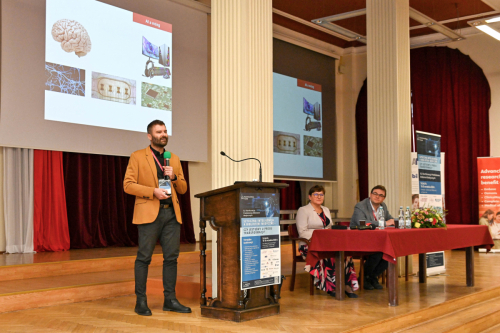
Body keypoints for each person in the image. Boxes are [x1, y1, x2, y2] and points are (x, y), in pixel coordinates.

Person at [123, 119, 191, 316]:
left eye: (165, 131)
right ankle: (141, 302)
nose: (164, 134)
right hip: (149, 212)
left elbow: (183, 189)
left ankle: (170, 300)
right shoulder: (137, 157)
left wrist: (174, 177)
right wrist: (152, 191)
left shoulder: (174, 159)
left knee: (171, 258)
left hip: (171, 213)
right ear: (149, 136)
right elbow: (128, 185)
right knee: (144, 258)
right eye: (159, 132)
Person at [296, 185, 359, 298]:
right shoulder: (303, 210)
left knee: (345, 255)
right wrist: (321, 235)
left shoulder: (326, 210)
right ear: (310, 197)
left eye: (321, 194)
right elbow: (302, 232)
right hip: (309, 246)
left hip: (327, 244)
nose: (319, 197)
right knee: (329, 256)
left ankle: (347, 286)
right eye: (316, 194)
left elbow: (330, 227)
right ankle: (331, 287)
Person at [350, 185, 394, 290]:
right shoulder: (360, 206)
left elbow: (390, 220)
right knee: (378, 251)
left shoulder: (383, 206)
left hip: (375, 239)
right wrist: (384, 223)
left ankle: (373, 276)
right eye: (375, 193)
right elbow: (363, 223)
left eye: (381, 195)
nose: (377, 197)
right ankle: (364, 277)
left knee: (391, 251)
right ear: (370, 194)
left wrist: (394, 221)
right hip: (358, 238)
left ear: (384, 198)